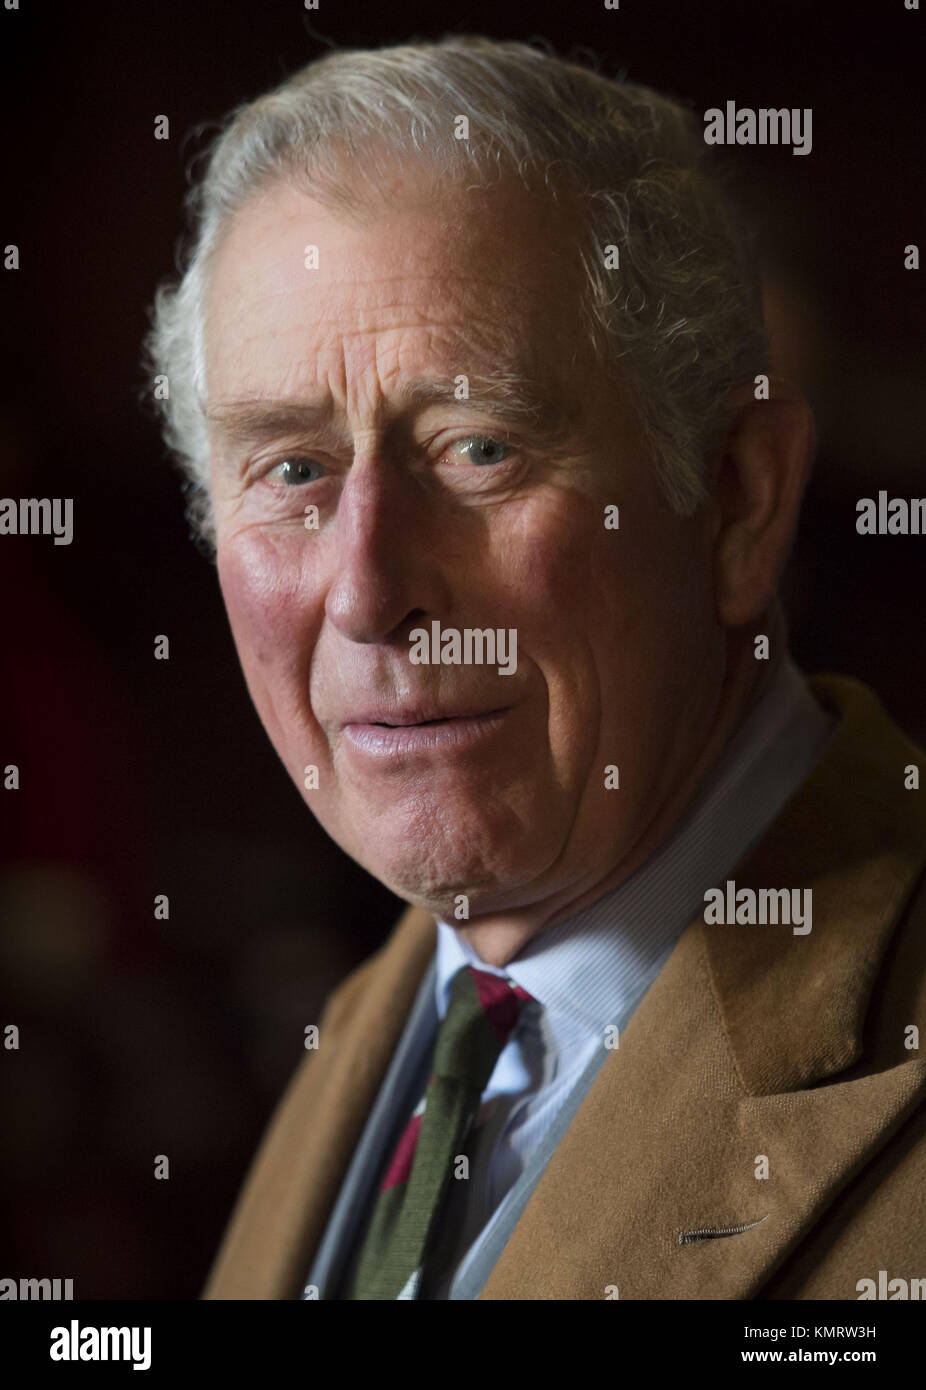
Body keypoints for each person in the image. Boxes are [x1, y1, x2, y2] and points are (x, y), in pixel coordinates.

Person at [143, 35, 926, 1300]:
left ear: (734, 500)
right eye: (291, 468)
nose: (364, 590)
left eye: (476, 449)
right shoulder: (379, 1025)